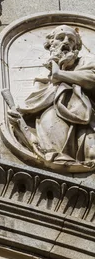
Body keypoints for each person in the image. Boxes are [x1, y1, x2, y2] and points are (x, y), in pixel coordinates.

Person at [7, 24, 95, 167]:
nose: (66, 42)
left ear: (76, 47)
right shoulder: (43, 76)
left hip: (85, 119)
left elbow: (91, 79)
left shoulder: (86, 62)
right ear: (51, 43)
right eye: (60, 38)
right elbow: (36, 102)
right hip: (51, 117)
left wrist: (60, 74)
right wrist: (20, 114)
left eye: (71, 40)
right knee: (58, 152)